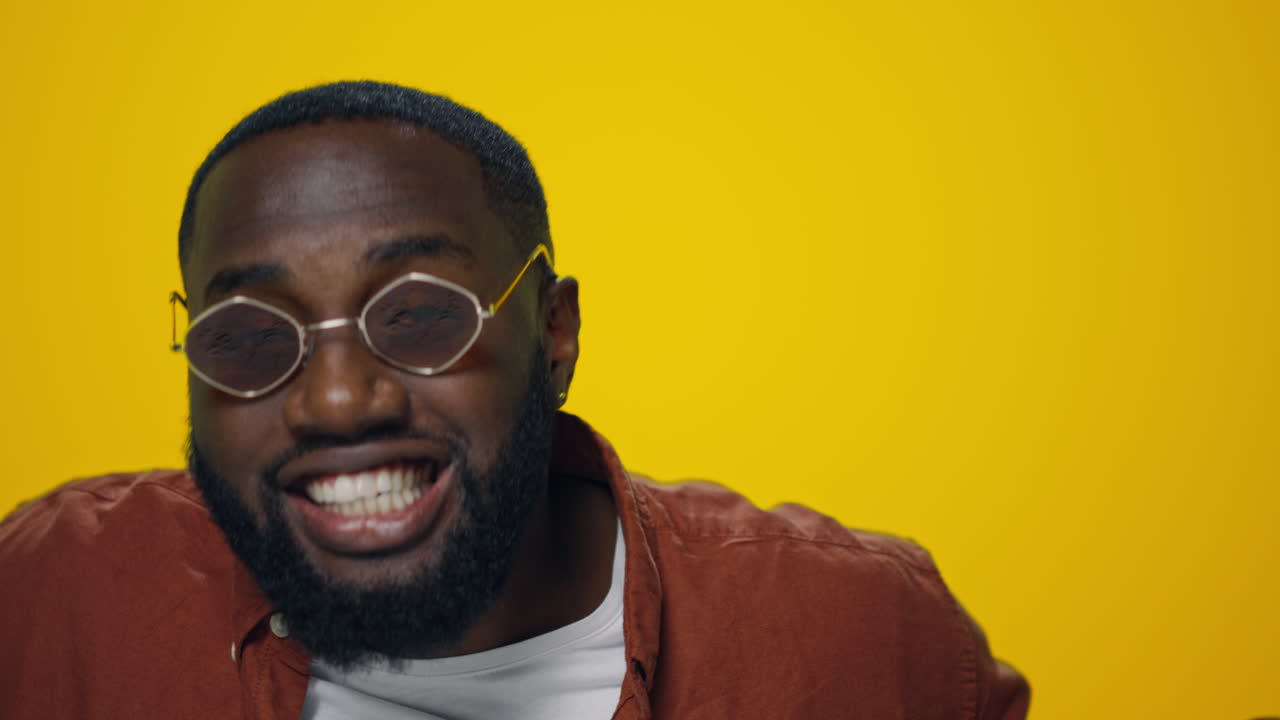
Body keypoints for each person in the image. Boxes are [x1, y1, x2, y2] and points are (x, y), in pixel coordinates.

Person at [0, 81, 1029, 719]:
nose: (339, 400)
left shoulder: (861, 640)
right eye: (251, 337)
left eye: (420, 315)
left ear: (555, 334)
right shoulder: (53, 598)